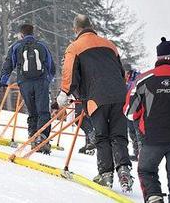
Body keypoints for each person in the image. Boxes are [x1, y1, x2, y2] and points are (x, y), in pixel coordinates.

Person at [56, 14, 133, 192]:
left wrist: (64, 93)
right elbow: (121, 72)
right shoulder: (109, 44)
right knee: (119, 135)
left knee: (102, 136)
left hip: (96, 97)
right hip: (119, 95)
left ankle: (106, 174)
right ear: (92, 26)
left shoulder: (74, 47)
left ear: (75, 29)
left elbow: (69, 72)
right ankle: (124, 170)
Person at [124, 37, 170, 203]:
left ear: (157, 59)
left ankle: (154, 198)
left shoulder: (143, 80)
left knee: (146, 170)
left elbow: (129, 112)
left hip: (152, 139)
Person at [0, 24, 56, 154]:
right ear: (33, 33)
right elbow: (51, 66)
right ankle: (42, 138)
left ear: (21, 34)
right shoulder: (42, 45)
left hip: (25, 83)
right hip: (41, 82)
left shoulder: (16, 46)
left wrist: (2, 81)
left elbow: (8, 65)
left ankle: (32, 136)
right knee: (43, 111)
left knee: (32, 110)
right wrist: (48, 80)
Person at [123, 63, 142, 161]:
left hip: (137, 108)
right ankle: (136, 152)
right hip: (128, 108)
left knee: (137, 130)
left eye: (126, 73)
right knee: (131, 131)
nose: (125, 75)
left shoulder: (137, 78)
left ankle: (141, 153)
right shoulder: (123, 79)